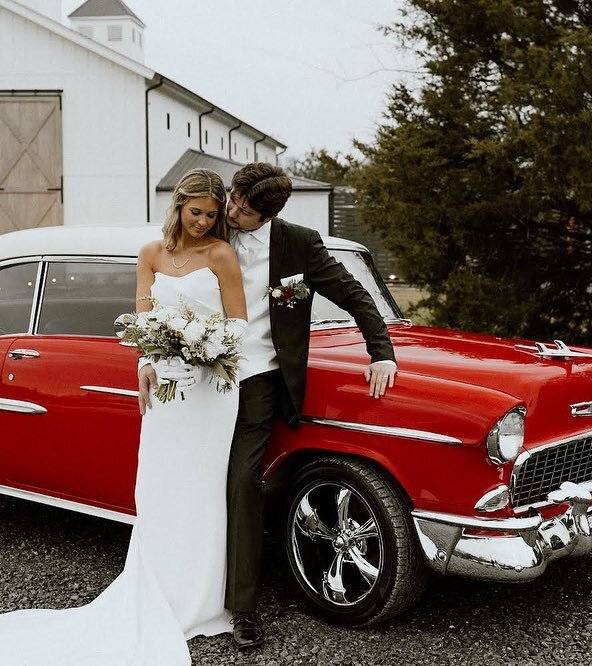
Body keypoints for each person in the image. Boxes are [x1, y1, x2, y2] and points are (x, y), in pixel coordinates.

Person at [0, 168, 247, 666]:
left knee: (203, 490)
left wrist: (206, 347)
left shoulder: (222, 255)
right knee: (159, 488)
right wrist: (146, 363)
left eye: (210, 214)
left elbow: (239, 321)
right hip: (167, 391)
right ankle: (161, 591)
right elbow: (141, 320)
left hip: (209, 391)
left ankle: (202, 599)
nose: (202, 222)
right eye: (194, 212)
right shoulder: (151, 254)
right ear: (178, 207)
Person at [221, 163, 397, 649]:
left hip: (259, 378)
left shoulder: (300, 243)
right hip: (199, 380)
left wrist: (381, 353)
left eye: (244, 209)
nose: (232, 211)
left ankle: (242, 609)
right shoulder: (212, 223)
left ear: (270, 214)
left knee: (243, 484)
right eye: (233, 199)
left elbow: (355, 295)